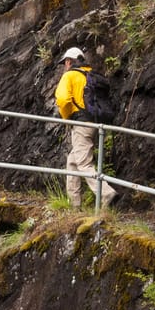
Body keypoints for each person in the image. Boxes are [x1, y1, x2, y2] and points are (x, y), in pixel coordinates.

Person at [54, 47, 117, 210]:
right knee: (73, 162)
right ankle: (74, 205)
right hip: (95, 124)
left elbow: (63, 99)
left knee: (84, 163)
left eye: (65, 63)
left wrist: (67, 118)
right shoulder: (90, 75)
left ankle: (106, 193)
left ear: (69, 62)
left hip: (81, 124)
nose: (64, 66)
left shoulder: (70, 76)